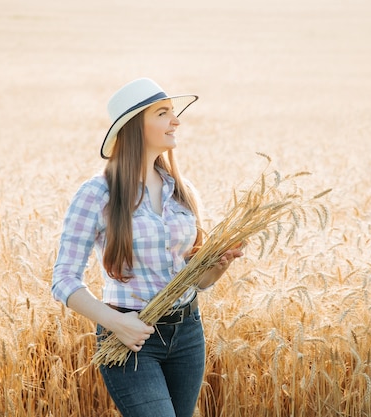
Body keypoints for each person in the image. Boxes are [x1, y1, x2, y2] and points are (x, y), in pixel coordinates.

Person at [51, 78, 244, 417]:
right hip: (129, 336)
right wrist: (116, 323)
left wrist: (220, 263)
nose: (176, 121)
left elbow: (197, 281)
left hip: (187, 333)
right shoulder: (97, 194)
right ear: (135, 126)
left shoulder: (182, 191)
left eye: (173, 112)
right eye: (163, 112)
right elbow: (63, 280)